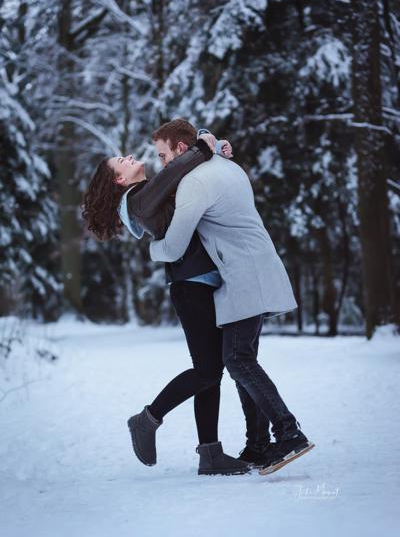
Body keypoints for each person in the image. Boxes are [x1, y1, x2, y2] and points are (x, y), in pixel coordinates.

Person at [81, 123, 250, 476]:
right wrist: (205, 147)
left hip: (199, 282)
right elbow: (176, 169)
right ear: (119, 181)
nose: (129, 157)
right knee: (207, 369)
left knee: (211, 372)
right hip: (189, 286)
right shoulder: (139, 198)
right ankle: (148, 419)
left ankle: (210, 453)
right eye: (121, 161)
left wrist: (212, 145)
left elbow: (180, 171)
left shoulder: (147, 192)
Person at [149, 120, 315, 476]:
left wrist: (153, 249)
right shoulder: (226, 165)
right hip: (255, 268)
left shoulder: (194, 182)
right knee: (243, 361)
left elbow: (174, 245)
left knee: (238, 360)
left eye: (163, 155)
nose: (162, 165)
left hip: (242, 276)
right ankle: (258, 446)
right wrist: (215, 141)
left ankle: (288, 433)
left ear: (181, 150)